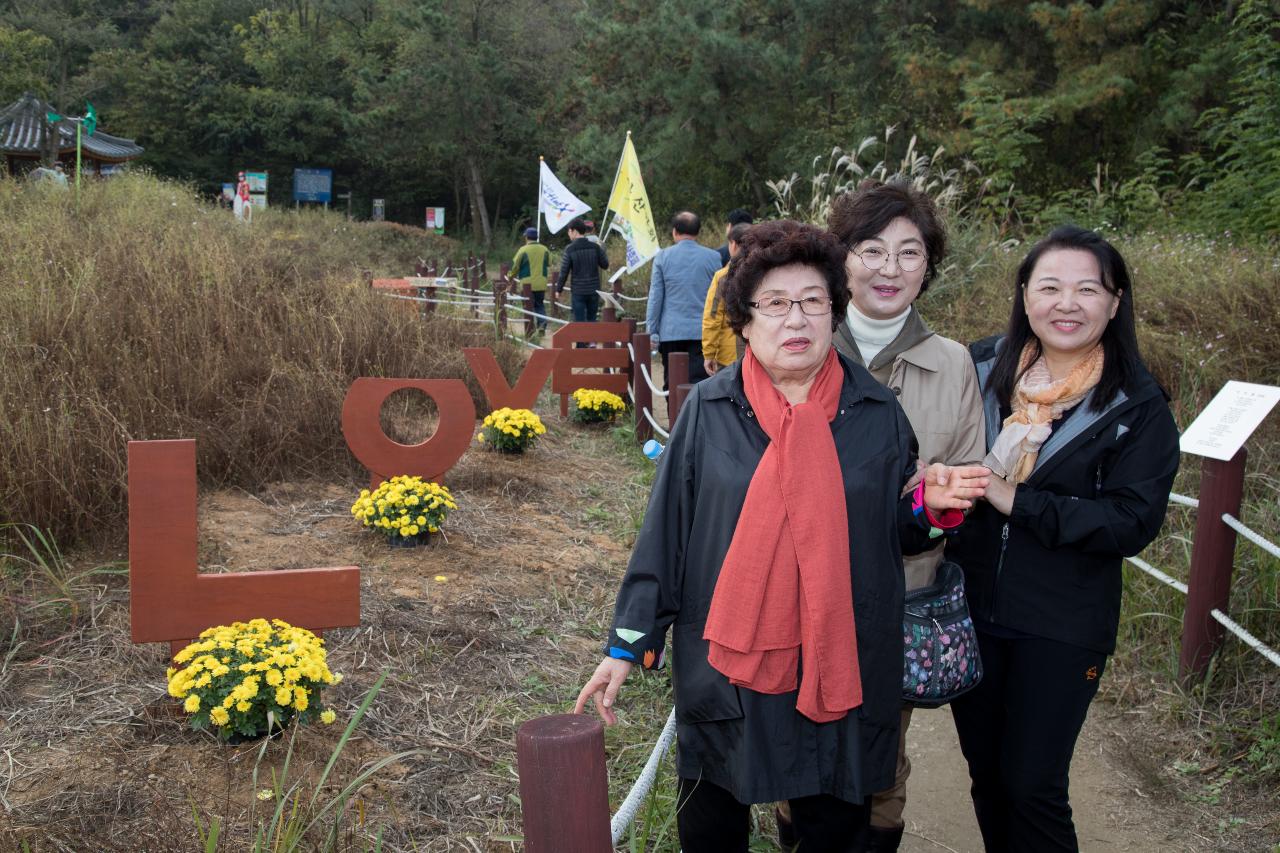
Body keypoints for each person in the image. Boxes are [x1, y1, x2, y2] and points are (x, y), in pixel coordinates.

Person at [574, 220, 991, 853]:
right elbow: (666, 536)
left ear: (833, 313)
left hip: (839, 653)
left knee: (834, 821)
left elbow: (897, 536)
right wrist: (626, 646)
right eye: (774, 303)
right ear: (744, 321)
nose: (795, 319)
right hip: (728, 658)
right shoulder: (711, 410)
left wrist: (931, 510)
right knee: (714, 818)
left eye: (813, 301)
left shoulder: (875, 413)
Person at [948, 225, 1179, 852]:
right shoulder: (978, 369)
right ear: (1025, 297)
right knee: (988, 777)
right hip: (971, 613)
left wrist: (1018, 501)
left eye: (1087, 289)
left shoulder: (1136, 403)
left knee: (1032, 785)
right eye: (1049, 287)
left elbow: (1131, 520)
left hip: (1063, 621)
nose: (1066, 304)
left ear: (1115, 301)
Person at [816, 179, 986, 852]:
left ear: (928, 265)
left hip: (903, 594)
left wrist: (936, 505)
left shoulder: (952, 363)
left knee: (884, 758)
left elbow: (965, 477)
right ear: (842, 256)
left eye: (909, 252)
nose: (889, 268)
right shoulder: (800, 344)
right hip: (804, 593)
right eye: (872, 248)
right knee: (802, 749)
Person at [647, 211, 723, 388]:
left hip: (671, 331)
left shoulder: (662, 257)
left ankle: (674, 416)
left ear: (674, 231)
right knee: (700, 382)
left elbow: (655, 298)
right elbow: (719, 299)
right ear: (698, 232)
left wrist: (652, 331)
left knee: (672, 383)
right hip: (702, 332)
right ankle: (697, 416)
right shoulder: (713, 257)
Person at [701, 221, 751, 375]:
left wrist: (709, 353)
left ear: (733, 244)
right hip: (761, 351)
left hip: (729, 355)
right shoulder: (766, 274)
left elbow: (713, 316)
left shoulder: (723, 277)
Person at [556, 216, 609, 322]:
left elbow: (564, 272)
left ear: (574, 231)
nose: (568, 234)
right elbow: (605, 265)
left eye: (569, 231)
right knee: (592, 321)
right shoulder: (595, 247)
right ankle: (592, 339)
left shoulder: (570, 249)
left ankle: (582, 339)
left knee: (579, 323)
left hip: (578, 291)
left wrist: (559, 289)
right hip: (594, 290)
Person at [511, 227, 550, 337]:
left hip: (526, 284)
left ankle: (529, 331)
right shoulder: (545, 249)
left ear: (527, 237)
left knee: (528, 307)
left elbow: (515, 267)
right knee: (539, 305)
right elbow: (549, 263)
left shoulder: (523, 250)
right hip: (541, 283)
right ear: (536, 237)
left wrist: (510, 276)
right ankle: (542, 325)